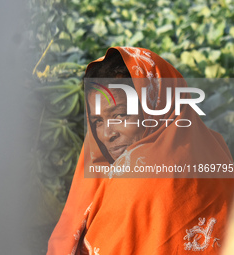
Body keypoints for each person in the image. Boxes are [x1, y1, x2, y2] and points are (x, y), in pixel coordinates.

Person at [47, 47, 234, 254]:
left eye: (120, 115)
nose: (106, 134)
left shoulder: (139, 180)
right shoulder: (212, 146)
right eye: (97, 121)